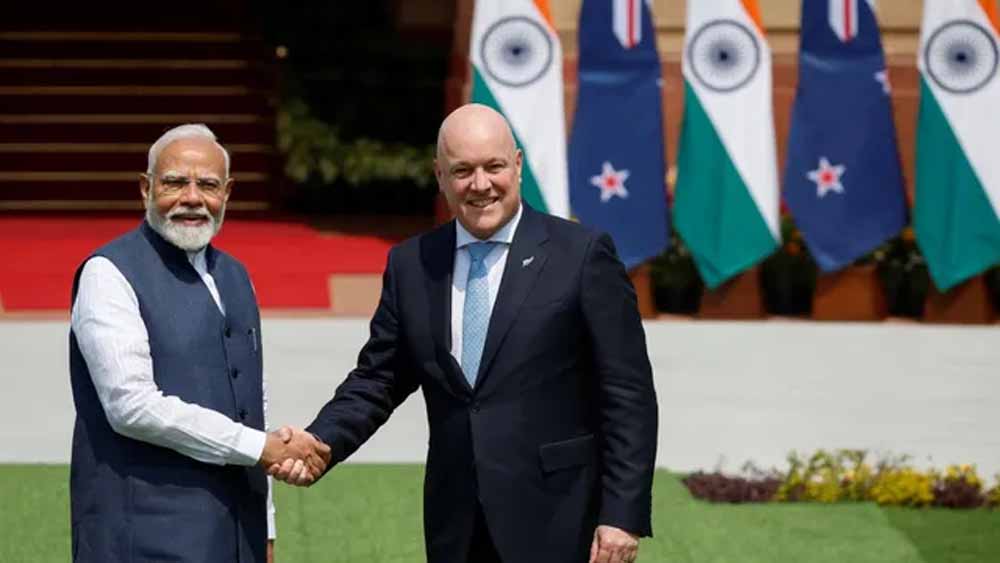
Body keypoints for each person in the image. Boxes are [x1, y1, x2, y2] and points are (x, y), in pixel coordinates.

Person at [271, 104, 659, 563]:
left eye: (494, 166)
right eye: (462, 171)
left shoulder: (583, 255)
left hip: (560, 517)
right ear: (440, 175)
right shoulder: (412, 264)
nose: (480, 184)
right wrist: (321, 441)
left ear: (517, 165)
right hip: (456, 521)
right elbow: (378, 379)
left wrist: (622, 514)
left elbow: (628, 393)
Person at [68, 124, 330, 563]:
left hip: (236, 534)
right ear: (145, 188)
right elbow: (131, 405)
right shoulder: (108, 273)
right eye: (174, 182)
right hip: (141, 538)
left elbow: (253, 402)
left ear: (227, 193)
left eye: (207, 185)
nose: (192, 198)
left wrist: (265, 526)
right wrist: (260, 447)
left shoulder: (236, 276)